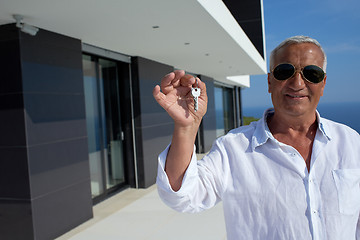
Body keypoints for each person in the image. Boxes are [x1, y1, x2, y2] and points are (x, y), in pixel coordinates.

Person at [152, 35, 360, 240]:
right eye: (284, 71)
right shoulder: (232, 149)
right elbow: (182, 197)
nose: (297, 83)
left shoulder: (351, 143)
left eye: (311, 73)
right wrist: (186, 127)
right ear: (270, 81)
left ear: (322, 84)